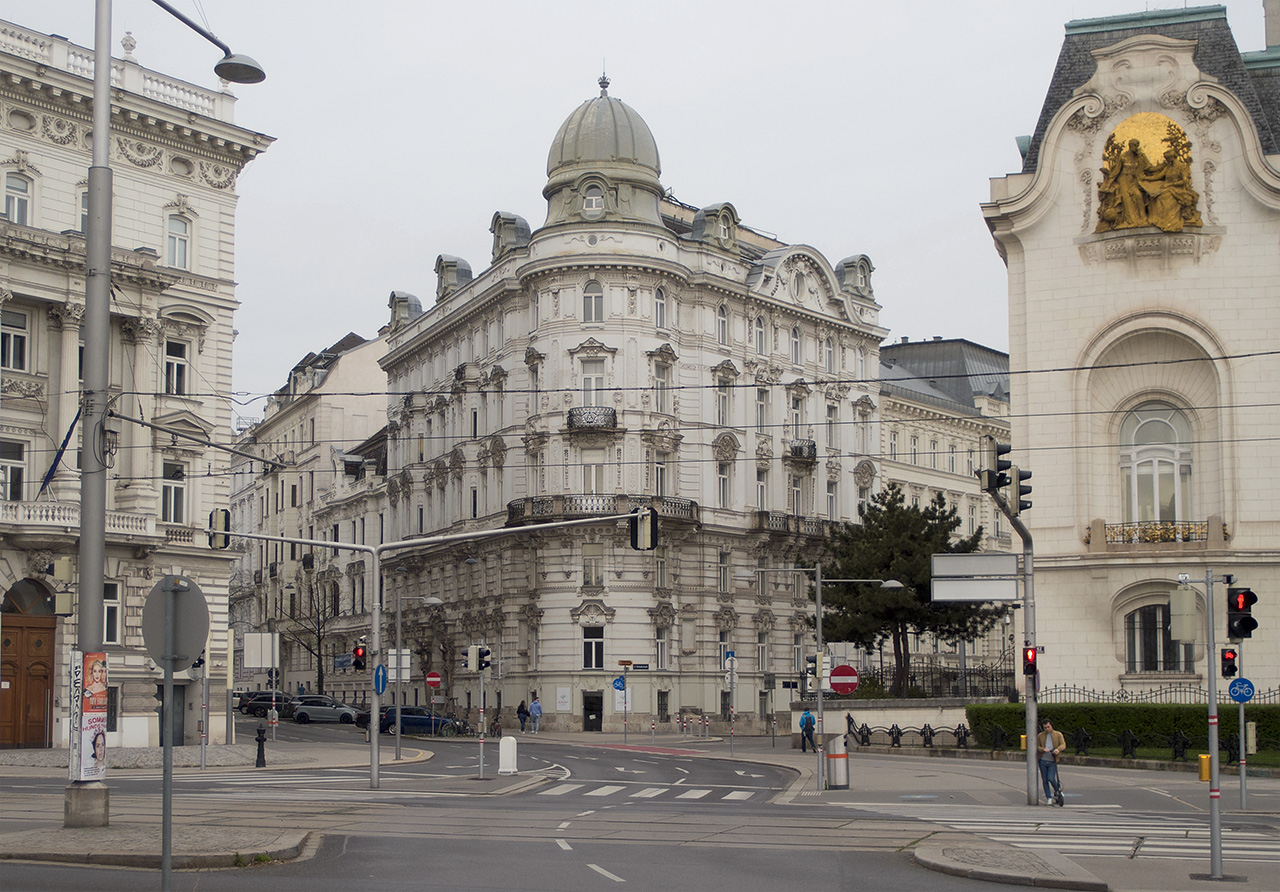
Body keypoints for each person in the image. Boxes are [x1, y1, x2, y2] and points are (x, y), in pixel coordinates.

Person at [1037, 719, 1066, 806]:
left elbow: (1063, 744)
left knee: (1051, 778)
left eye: (1048, 727)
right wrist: (1043, 749)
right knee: (1045, 780)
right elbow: (1037, 746)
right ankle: (1049, 797)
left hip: (1052, 760)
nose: (1047, 729)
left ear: (1051, 726)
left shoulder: (1058, 734)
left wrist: (1058, 749)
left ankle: (1057, 790)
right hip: (1043, 760)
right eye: (1045, 727)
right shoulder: (1040, 736)